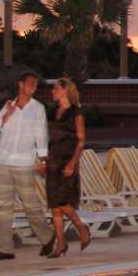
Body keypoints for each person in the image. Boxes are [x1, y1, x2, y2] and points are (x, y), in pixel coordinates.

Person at [0, 72, 54, 261]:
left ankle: (48, 238)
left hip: (25, 163)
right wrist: (6, 116)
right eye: (31, 84)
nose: (34, 88)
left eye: (35, 86)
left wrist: (42, 160)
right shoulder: (8, 105)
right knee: (2, 207)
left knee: (30, 204)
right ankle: (5, 249)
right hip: (4, 162)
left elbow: (41, 135)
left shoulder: (37, 109)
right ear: (21, 85)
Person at [43, 77, 92, 257]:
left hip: (67, 161)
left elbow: (81, 141)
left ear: (64, 90)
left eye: (55, 88)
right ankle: (61, 244)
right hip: (53, 161)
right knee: (55, 207)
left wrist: (73, 163)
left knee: (62, 202)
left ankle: (81, 228)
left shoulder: (76, 113)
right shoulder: (53, 111)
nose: (52, 92)